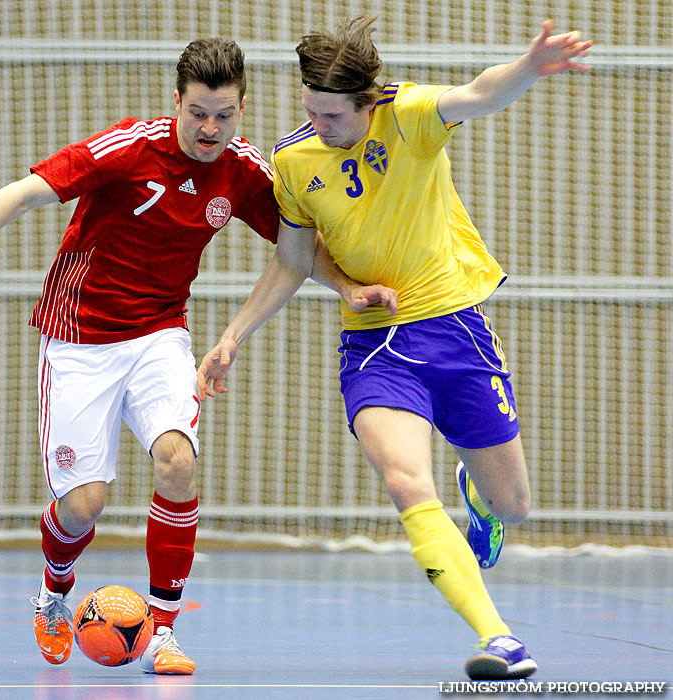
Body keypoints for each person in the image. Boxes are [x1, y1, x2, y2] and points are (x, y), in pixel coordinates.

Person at [0, 38, 396, 675]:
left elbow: (298, 249)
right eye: (197, 113)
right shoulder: (128, 149)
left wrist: (351, 287)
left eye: (223, 114)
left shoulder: (245, 172)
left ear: (242, 108)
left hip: (160, 334)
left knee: (177, 462)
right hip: (78, 341)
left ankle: (163, 631)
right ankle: (54, 592)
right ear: (177, 103)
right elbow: (25, 192)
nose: (209, 128)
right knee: (84, 505)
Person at [197, 16, 592, 681]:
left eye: (333, 115)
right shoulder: (294, 161)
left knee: (515, 505)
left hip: (455, 330)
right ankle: (499, 638)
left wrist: (526, 68)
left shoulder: (407, 114)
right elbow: (292, 261)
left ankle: (482, 500)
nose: (320, 123)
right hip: (375, 349)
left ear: (366, 100)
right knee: (407, 482)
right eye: (310, 109)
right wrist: (231, 338)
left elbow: (480, 94)